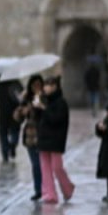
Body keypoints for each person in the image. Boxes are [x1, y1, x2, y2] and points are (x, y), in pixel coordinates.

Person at [34, 75, 74, 204]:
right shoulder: (44, 100)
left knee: (57, 167)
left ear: (55, 87)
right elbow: (38, 119)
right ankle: (49, 194)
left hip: (56, 139)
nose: (46, 88)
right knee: (45, 168)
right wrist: (37, 106)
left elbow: (56, 119)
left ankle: (67, 187)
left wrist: (44, 108)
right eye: (45, 85)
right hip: (43, 138)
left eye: (49, 85)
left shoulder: (61, 103)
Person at [13, 74, 45, 201]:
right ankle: (38, 190)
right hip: (31, 135)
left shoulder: (46, 97)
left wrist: (40, 105)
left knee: (44, 164)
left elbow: (50, 113)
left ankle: (46, 188)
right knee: (35, 164)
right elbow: (18, 118)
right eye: (34, 85)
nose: (36, 87)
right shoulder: (26, 99)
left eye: (39, 85)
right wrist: (22, 112)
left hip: (44, 134)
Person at [0, 77, 22, 163]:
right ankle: (12, 146)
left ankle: (5, 155)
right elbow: (21, 93)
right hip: (14, 111)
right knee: (15, 131)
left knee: (3, 134)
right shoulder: (15, 81)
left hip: (3, 112)